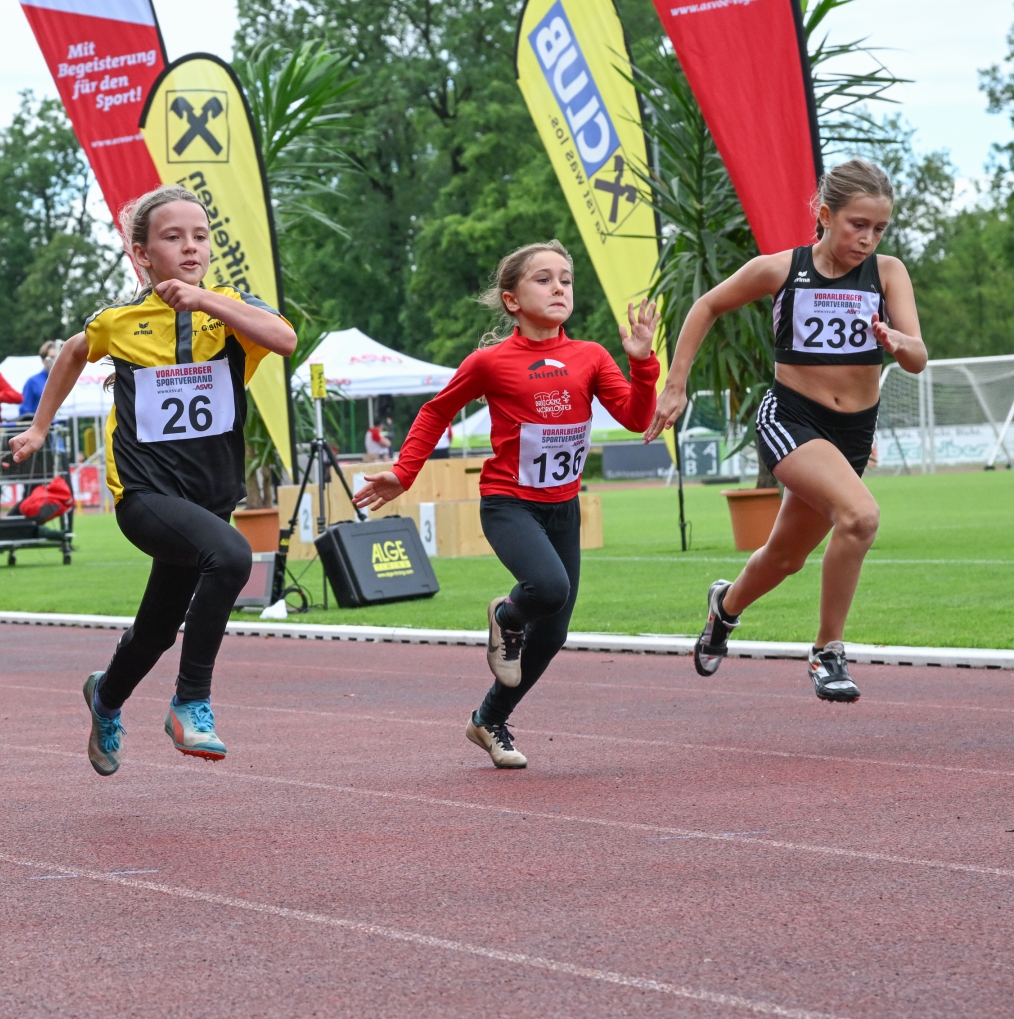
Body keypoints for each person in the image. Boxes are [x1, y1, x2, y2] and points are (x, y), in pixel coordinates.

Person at [11, 184, 297, 775]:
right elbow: (72, 353)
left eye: (201, 236)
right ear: (142, 254)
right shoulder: (120, 322)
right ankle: (191, 702)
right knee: (231, 556)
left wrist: (205, 301)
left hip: (207, 497)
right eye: (173, 237)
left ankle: (105, 695)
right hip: (143, 496)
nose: (191, 247)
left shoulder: (230, 311)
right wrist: (39, 429)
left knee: (158, 629)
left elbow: (285, 339)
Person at [354, 240, 660, 769]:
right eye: (544, 279)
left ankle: (489, 718)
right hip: (508, 503)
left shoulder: (590, 356)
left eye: (566, 279)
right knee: (549, 588)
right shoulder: (489, 363)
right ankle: (505, 614)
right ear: (512, 299)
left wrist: (642, 363)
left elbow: (636, 418)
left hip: (562, 507)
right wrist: (404, 472)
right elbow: (436, 411)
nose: (559, 287)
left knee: (555, 630)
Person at [645, 159, 928, 702]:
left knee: (784, 557)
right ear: (825, 215)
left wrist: (897, 342)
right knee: (860, 516)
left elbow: (918, 358)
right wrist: (675, 385)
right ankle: (828, 651)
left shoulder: (888, 273)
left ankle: (724, 607)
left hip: (851, 432)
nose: (867, 239)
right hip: (791, 418)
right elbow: (706, 305)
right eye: (857, 225)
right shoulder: (781, 269)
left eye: (879, 228)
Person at [20, 339, 61, 418]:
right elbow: (25, 411)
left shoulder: (59, 380)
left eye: (56, 357)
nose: (54, 361)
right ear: (43, 360)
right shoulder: (32, 382)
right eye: (51, 357)